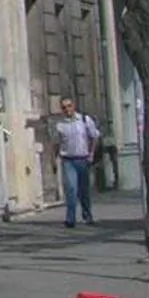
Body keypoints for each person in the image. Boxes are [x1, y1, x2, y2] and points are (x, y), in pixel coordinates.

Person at [50, 95, 101, 227]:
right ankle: (70, 218)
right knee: (71, 189)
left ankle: (87, 215)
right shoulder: (60, 125)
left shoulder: (84, 120)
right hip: (68, 160)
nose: (67, 109)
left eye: (69, 106)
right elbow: (56, 143)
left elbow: (94, 136)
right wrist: (54, 159)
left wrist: (91, 153)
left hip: (82, 159)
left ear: (74, 106)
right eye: (64, 107)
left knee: (84, 190)